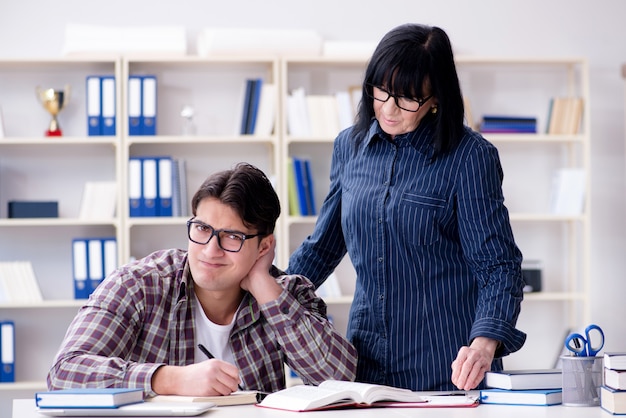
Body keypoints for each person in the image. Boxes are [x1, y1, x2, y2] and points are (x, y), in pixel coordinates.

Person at [287, 23, 526, 392]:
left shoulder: (470, 157)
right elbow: (323, 247)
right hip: (365, 364)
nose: (389, 109)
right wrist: (263, 297)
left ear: (435, 99)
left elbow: (498, 265)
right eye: (381, 91)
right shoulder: (348, 148)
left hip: (446, 369)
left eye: (408, 98)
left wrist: (484, 343)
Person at [47, 162, 357, 397]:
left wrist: (263, 285)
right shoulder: (139, 284)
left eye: (232, 237)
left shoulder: (286, 295)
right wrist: (170, 379)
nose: (211, 250)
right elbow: (64, 373)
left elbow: (340, 381)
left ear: (263, 246)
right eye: (202, 229)